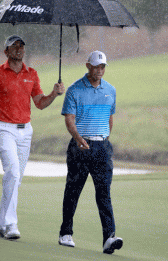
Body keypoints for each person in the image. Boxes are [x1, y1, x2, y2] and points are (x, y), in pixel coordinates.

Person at [0, 35, 65, 240]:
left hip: (25, 132)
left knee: (15, 179)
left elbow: (40, 103)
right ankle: (11, 224)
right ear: (6, 52)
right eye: (14, 46)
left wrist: (54, 94)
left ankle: (0, 225)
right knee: (12, 173)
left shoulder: (31, 74)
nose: (19, 49)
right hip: (4, 129)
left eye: (21, 46)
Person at [58, 51, 123, 254]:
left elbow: (110, 119)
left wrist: (102, 140)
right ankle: (65, 232)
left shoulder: (110, 90)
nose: (100, 70)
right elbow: (69, 119)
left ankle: (109, 238)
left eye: (103, 67)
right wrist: (79, 138)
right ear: (88, 66)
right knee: (73, 190)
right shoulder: (74, 90)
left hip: (102, 148)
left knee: (104, 194)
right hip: (79, 146)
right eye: (96, 67)